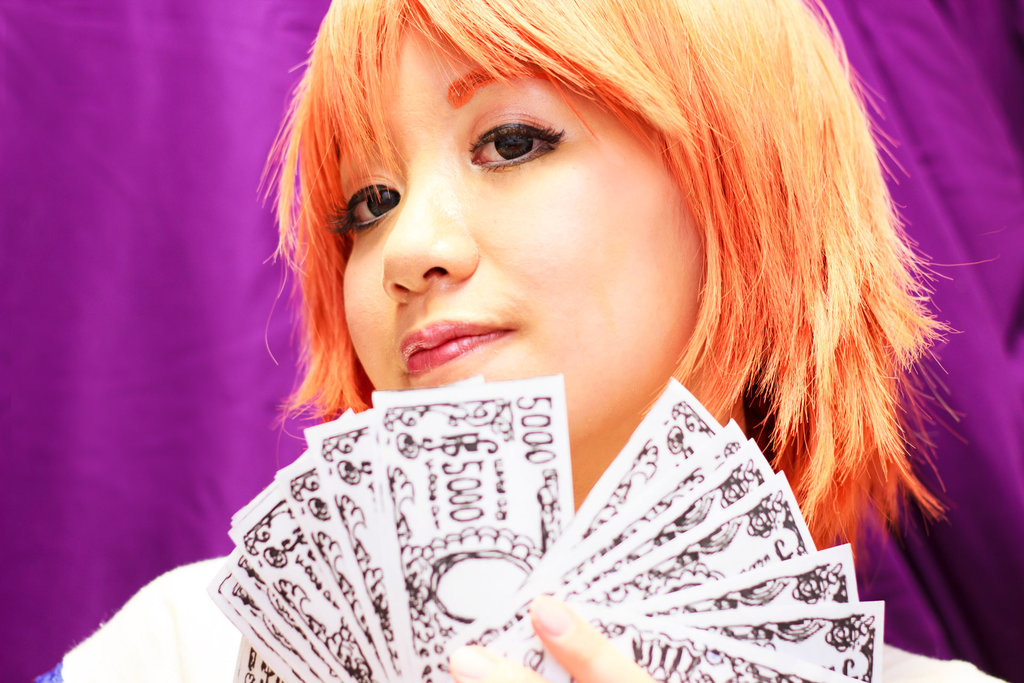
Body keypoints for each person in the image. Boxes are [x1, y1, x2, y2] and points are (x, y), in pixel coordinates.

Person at [40, 0, 1007, 681]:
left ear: (744, 195)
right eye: (368, 202)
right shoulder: (184, 648)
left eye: (511, 143)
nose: (406, 249)